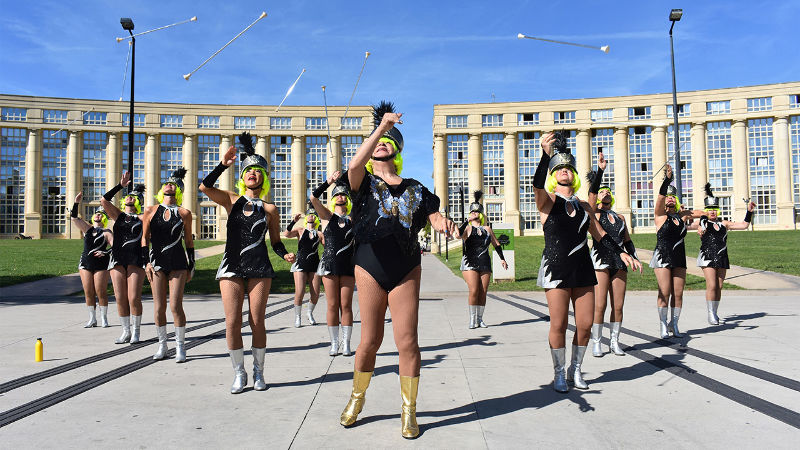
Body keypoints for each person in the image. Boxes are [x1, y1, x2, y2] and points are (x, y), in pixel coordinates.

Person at [339, 101, 458, 439]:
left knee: (407, 341)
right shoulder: (362, 183)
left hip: (406, 266)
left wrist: (443, 223)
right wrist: (381, 126)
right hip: (369, 263)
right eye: (378, 140)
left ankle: (409, 411)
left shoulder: (416, 187)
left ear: (397, 150)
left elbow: (433, 217)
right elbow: (354, 163)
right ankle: (356, 399)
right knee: (369, 341)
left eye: (388, 141)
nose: (381, 143)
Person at [533, 131, 641, 393]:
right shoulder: (548, 202)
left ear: (574, 175)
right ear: (552, 174)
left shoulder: (584, 206)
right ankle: (559, 373)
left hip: (583, 269)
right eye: (558, 168)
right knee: (558, 323)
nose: (564, 171)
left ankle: (575, 369)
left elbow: (601, 235)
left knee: (584, 324)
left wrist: (623, 252)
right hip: (556, 269)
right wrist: (545, 156)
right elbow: (537, 185)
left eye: (568, 168)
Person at [200, 132, 295, 394]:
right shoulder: (232, 200)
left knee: (257, 321)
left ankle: (259, 371)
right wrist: (222, 165)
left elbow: (275, 241)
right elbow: (205, 188)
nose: (252, 174)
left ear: (264, 178)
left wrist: (284, 254)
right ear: (242, 177)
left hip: (259, 267)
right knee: (232, 322)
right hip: (231, 266)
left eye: (257, 171)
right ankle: (239, 373)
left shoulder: (270, 209)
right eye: (248, 171)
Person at [586, 151, 640, 357]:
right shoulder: (594, 213)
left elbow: (627, 241)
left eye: (608, 191)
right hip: (600, 260)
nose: (605, 193)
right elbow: (591, 201)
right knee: (600, 304)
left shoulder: (619, 217)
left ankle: (615, 341)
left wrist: (633, 257)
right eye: (601, 191)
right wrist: (599, 173)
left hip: (619, 261)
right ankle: (597, 341)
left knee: (618, 305)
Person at [141, 167, 194, 362]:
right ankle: (162, 346)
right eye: (166, 183)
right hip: (156, 262)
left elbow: (188, 241)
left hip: (178, 262)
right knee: (158, 307)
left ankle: (181, 347)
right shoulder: (150, 210)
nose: (169, 184)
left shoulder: (184, 213)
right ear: (162, 189)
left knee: (175, 306)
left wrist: (192, 265)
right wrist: (145, 262)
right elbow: (144, 239)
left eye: (173, 183)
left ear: (178, 190)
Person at [651, 165, 702, 339]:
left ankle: (675, 324)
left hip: (679, 257)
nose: (670, 199)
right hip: (662, 257)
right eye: (668, 197)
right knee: (664, 291)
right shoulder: (660, 215)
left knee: (678, 293)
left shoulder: (682, 216)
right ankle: (663, 325)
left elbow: (702, 213)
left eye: (673, 197)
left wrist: (708, 212)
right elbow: (659, 198)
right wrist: (667, 180)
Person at [310, 170, 356, 356]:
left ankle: (346, 343)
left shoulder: (354, 218)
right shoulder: (327, 217)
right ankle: (334, 343)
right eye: (336, 195)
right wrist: (328, 183)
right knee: (331, 304)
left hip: (348, 266)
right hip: (329, 265)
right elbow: (313, 199)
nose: (340, 198)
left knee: (346, 305)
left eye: (343, 195)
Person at [697, 183, 756, 325]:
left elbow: (744, 225)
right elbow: (694, 228)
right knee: (711, 285)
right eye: (709, 209)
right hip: (707, 256)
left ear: (718, 210)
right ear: (706, 210)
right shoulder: (703, 223)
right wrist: (700, 222)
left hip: (722, 256)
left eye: (715, 209)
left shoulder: (724, 223)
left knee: (719, 286)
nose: (712, 212)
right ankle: (710, 313)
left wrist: (749, 211)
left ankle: (715, 312)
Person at [101, 174, 146, 344]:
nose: (129, 197)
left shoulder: (143, 218)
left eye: (133, 197)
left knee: (133, 297)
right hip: (118, 258)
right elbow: (104, 201)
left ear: (138, 202)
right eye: (127, 196)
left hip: (136, 258)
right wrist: (119, 186)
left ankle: (136, 331)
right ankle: (125, 331)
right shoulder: (118, 215)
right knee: (120, 297)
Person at [458, 191, 507, 329]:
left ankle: (480, 319)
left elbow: (496, 244)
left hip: (485, 262)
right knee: (474, 290)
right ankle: (472, 319)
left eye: (476, 212)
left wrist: (502, 259)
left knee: (483, 291)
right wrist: (466, 221)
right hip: (469, 262)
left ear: (480, 213)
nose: (474, 214)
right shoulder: (467, 228)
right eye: (472, 212)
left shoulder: (487, 229)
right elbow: (458, 235)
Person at [71, 193, 112, 328]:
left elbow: (116, 246)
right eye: (96, 214)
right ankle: (92, 318)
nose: (97, 215)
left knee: (100, 291)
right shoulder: (87, 229)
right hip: (85, 264)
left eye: (101, 214)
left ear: (104, 218)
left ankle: (104, 318)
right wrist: (76, 203)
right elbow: (74, 218)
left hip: (101, 264)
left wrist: (104, 252)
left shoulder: (107, 232)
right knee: (88, 291)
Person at [284, 204, 323, 327]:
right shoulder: (300, 230)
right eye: (309, 214)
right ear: (306, 217)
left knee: (315, 294)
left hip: (314, 265)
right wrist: (293, 222)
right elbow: (286, 234)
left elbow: (328, 248)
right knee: (299, 292)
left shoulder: (320, 234)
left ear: (316, 218)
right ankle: (297, 316)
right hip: (300, 263)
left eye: (313, 214)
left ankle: (309, 313)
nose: (311, 216)